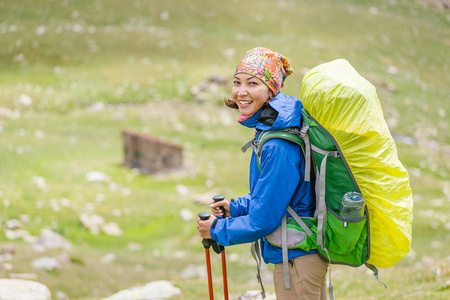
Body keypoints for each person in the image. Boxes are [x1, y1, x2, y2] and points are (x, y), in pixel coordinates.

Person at [197, 47, 328, 300]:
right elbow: (275, 197)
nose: (241, 91)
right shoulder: (277, 130)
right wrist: (235, 208)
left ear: (271, 91)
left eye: (253, 83)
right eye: (237, 82)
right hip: (301, 255)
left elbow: (263, 220)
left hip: (297, 260)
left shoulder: (278, 145)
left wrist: (216, 230)